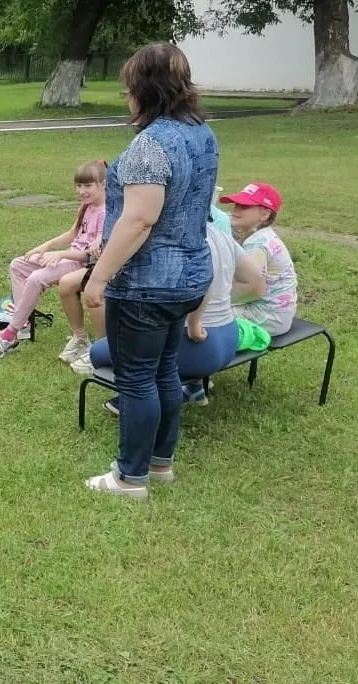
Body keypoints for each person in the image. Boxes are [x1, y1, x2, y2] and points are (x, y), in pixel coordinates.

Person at [79, 42, 219, 499]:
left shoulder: (150, 144)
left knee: (137, 377)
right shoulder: (203, 133)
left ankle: (129, 477)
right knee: (164, 371)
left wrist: (99, 277)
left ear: (146, 89)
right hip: (191, 276)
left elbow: (139, 219)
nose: (126, 97)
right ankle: (160, 465)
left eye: (128, 89)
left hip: (147, 285)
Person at [89, 223, 266, 411]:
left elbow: (205, 282)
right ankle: (194, 388)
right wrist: (221, 304)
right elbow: (255, 281)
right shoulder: (218, 233)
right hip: (229, 338)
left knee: (99, 353)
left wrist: (196, 318)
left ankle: (147, 397)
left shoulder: (173, 236)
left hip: (198, 346)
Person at [0, 160, 107, 360]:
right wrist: (46, 246)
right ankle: (23, 324)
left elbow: (89, 255)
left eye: (88, 186)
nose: (82, 191)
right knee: (18, 265)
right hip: (69, 257)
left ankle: (10, 334)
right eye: (79, 186)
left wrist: (61, 254)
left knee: (36, 278)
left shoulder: (105, 212)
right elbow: (72, 233)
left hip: (80, 263)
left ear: (103, 185)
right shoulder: (86, 207)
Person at [222, 183, 298, 336]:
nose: (235, 210)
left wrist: (217, 300)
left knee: (204, 317)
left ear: (264, 215)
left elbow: (253, 289)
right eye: (236, 204)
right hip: (276, 313)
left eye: (244, 206)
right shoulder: (257, 236)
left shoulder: (258, 245)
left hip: (267, 316)